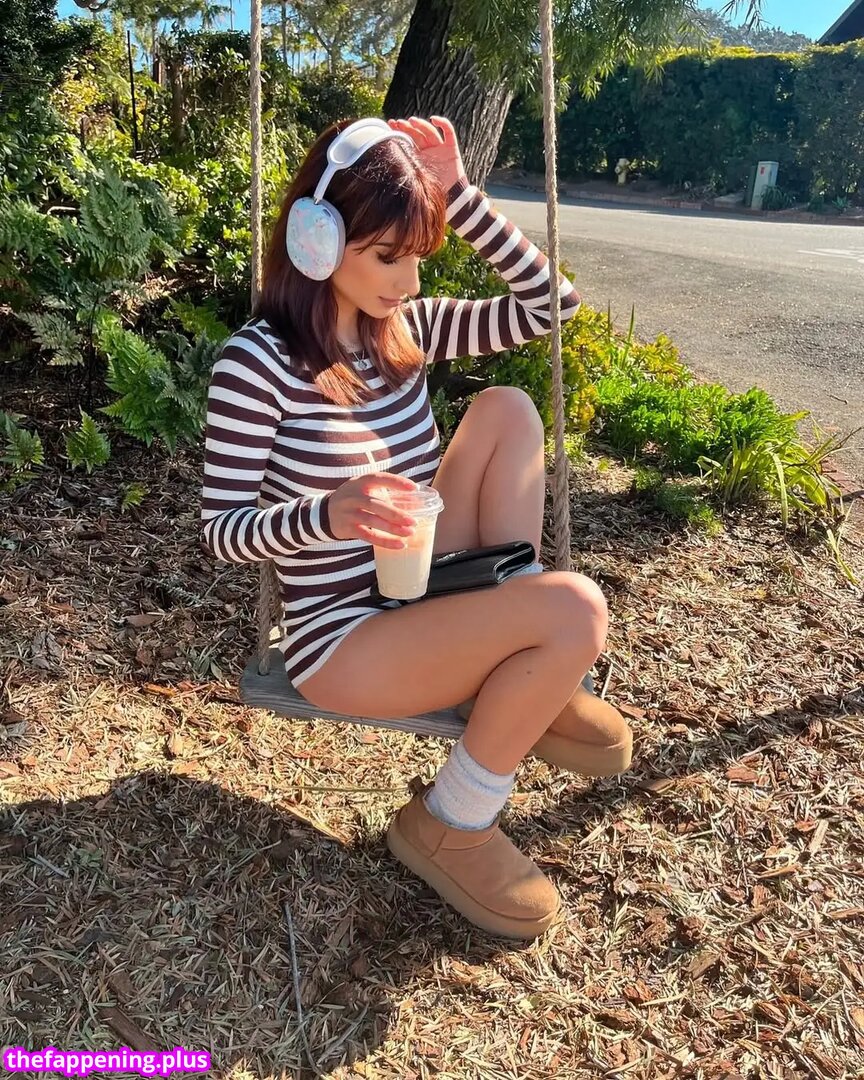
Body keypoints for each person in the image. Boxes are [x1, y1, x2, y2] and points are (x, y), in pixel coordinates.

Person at [200, 115, 632, 941]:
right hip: (343, 636)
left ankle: (517, 669)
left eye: (419, 256)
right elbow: (221, 531)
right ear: (320, 241)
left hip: (425, 580)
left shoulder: (406, 327)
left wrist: (460, 196)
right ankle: (450, 821)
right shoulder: (256, 364)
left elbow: (554, 305)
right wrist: (329, 512)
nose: (406, 280)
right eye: (387, 256)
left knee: (507, 408)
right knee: (576, 610)